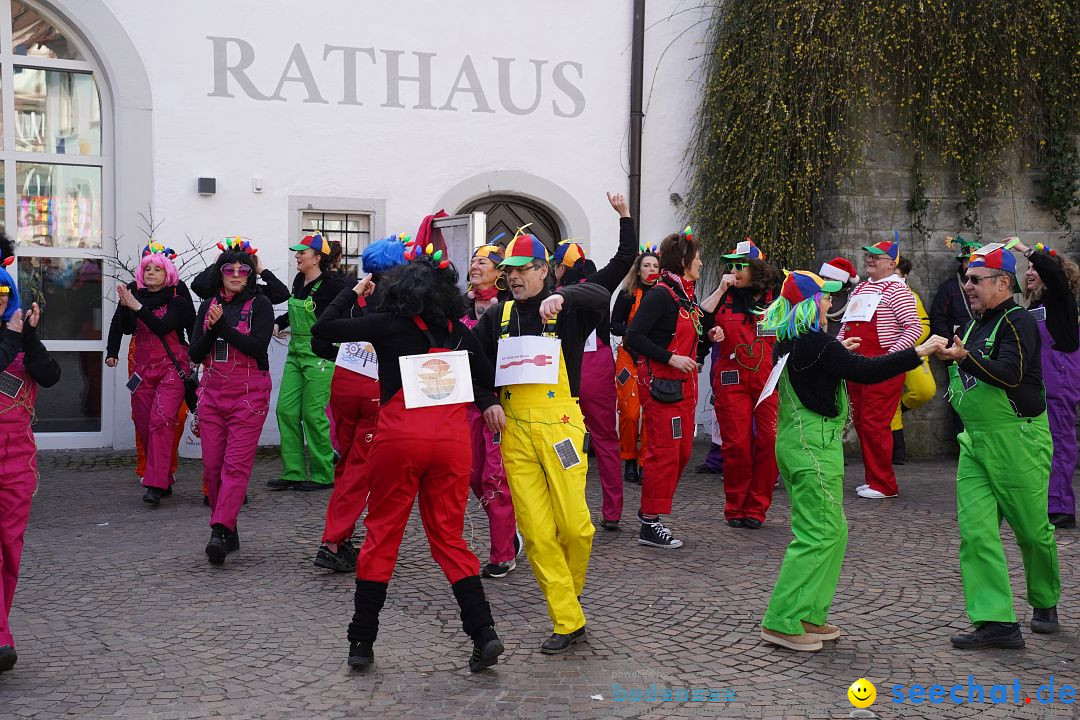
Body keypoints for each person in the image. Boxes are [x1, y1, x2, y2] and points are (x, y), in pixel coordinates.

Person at [311, 249, 505, 673]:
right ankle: (484, 633)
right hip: (452, 442)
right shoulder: (458, 332)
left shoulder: (387, 324)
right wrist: (488, 401)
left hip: (400, 438)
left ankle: (361, 641)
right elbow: (485, 378)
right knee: (450, 540)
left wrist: (352, 291)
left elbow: (322, 329)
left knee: (382, 535)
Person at [757, 270, 944, 651]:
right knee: (818, 534)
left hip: (803, 443)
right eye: (824, 297)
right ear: (811, 304)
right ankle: (780, 619)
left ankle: (808, 612)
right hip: (812, 447)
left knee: (833, 532)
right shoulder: (819, 345)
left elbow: (831, 364)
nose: (830, 301)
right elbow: (864, 372)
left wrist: (843, 350)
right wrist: (917, 353)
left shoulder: (795, 340)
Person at [473, 231, 611, 654]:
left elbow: (603, 291)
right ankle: (566, 618)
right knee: (535, 532)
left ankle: (570, 594)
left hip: (561, 429)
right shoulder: (495, 316)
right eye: (509, 272)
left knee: (575, 526)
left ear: (544, 271)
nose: (514, 279)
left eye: (523, 271)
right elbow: (472, 361)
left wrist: (565, 296)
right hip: (514, 433)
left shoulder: (566, 311)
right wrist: (486, 402)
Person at [935, 246, 1061, 649]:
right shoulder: (974, 326)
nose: (967, 286)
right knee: (976, 533)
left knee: (1032, 531)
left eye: (976, 279)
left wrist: (965, 359)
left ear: (1003, 283)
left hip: (1018, 440)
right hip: (976, 443)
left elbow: (1009, 375)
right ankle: (997, 622)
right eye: (967, 279)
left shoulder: (1018, 321)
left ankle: (1044, 599)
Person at [625, 227, 723, 548]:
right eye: (697, 258)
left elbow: (692, 326)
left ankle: (650, 512)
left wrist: (707, 337)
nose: (702, 262)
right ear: (683, 261)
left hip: (684, 387)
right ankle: (650, 522)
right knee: (664, 454)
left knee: (680, 454)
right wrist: (671, 358)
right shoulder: (659, 295)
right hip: (662, 386)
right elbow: (634, 337)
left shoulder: (685, 293)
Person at [313, 237, 407, 573]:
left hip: (343, 382)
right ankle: (335, 541)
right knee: (359, 469)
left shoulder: (356, 298)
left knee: (348, 463)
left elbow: (319, 335)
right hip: (376, 386)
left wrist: (352, 293)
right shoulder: (401, 301)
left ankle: (341, 535)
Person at [551, 193, 638, 530]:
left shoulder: (549, 291)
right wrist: (624, 215)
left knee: (565, 439)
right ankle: (612, 511)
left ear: (560, 268)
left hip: (565, 368)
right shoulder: (598, 282)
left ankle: (568, 510)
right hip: (599, 365)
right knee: (605, 439)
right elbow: (626, 256)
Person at [188, 240, 275, 564]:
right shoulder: (207, 304)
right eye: (229, 269)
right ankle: (229, 528)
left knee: (235, 466)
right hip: (212, 394)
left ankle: (220, 530)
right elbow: (195, 353)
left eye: (243, 270)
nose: (236, 274)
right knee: (212, 466)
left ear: (250, 275)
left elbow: (258, 347)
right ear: (219, 273)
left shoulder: (261, 304)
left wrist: (223, 327)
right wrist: (212, 331)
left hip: (249, 395)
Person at [0, 236, 61, 673]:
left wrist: (31, 336)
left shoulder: (20, 338)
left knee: (9, 549)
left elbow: (50, 375)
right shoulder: (8, 337)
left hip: (17, 461)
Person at [105, 243, 195, 505]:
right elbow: (125, 328)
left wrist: (135, 305)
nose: (151, 273)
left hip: (172, 367)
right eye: (147, 269)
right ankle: (163, 475)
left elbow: (162, 327)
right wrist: (125, 309)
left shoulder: (177, 300)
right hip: (142, 369)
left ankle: (155, 484)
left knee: (162, 420)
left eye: (157, 269)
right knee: (143, 422)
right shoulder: (134, 297)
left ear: (167, 274)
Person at [837, 237, 923, 499]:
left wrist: (891, 358)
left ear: (891, 263)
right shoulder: (861, 289)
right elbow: (846, 324)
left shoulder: (899, 291)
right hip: (857, 364)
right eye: (869, 256)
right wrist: (839, 348)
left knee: (876, 424)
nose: (870, 260)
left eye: (876, 257)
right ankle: (874, 479)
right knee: (863, 423)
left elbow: (914, 328)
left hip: (881, 365)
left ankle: (885, 484)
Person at [707, 239, 782, 529]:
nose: (735, 271)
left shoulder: (777, 298)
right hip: (731, 378)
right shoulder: (723, 295)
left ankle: (757, 507)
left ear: (757, 270)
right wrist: (712, 333)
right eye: (732, 266)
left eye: (742, 266)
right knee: (737, 444)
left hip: (767, 379)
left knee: (770, 441)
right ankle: (735, 506)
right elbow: (702, 321)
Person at [269, 234, 349, 491]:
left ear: (317, 258)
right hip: (296, 354)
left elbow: (342, 318)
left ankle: (323, 473)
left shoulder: (334, 285)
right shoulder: (298, 280)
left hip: (322, 356)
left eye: (302, 252)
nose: (297, 256)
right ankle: (293, 472)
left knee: (313, 414)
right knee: (286, 410)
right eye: (297, 252)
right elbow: (293, 311)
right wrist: (280, 323)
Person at [460, 243, 521, 578]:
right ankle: (508, 532)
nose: (475, 265)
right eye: (472, 261)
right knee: (471, 475)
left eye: (482, 261)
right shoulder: (460, 306)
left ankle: (502, 553)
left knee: (494, 478)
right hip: (466, 403)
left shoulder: (511, 309)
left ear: (499, 272)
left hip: (500, 404)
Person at [1014, 239, 1080, 529]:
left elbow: (1053, 273)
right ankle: (1045, 500)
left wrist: (1025, 249)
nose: (1029, 272)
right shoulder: (1034, 305)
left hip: (1061, 381)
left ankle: (1061, 506)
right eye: (1027, 268)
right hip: (1041, 381)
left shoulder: (1060, 301)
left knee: (1060, 442)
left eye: (1034, 268)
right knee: (1042, 445)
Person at [610, 247, 659, 486]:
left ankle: (643, 463)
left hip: (653, 360)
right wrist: (634, 334)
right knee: (629, 413)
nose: (651, 270)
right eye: (647, 266)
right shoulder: (627, 294)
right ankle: (628, 457)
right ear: (638, 270)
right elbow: (614, 325)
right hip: (628, 357)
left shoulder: (664, 294)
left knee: (650, 414)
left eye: (655, 266)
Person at [889, 256, 936, 465]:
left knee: (925, 390)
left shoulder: (912, 296)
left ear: (905, 276)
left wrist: (910, 344)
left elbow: (924, 324)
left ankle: (895, 409)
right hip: (889, 356)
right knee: (889, 401)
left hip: (912, 353)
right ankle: (897, 452)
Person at [817, 256, 860, 337]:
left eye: (828, 278)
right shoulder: (816, 297)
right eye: (823, 278)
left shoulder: (852, 298)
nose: (824, 281)